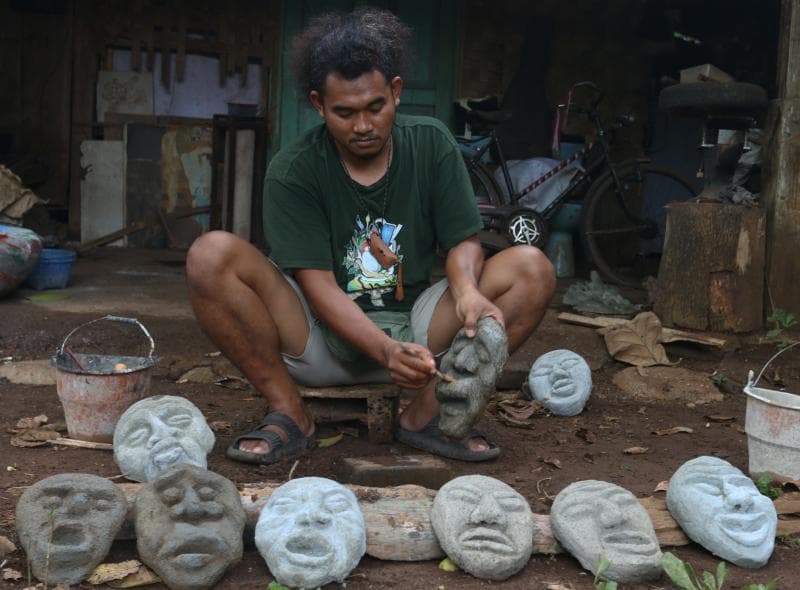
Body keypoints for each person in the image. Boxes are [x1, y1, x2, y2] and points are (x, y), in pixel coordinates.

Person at [185, 6, 555, 464]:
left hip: (421, 338)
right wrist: (384, 349)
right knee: (210, 254)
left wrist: (467, 293)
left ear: (395, 93)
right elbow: (316, 284)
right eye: (345, 112)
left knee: (531, 268)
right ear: (319, 104)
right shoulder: (293, 171)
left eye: (375, 107)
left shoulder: (432, 143)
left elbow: (464, 241)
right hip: (318, 338)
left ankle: (427, 415)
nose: (363, 125)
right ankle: (288, 412)